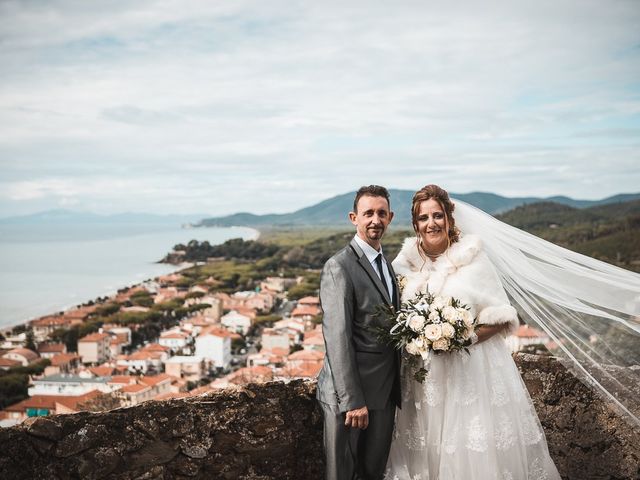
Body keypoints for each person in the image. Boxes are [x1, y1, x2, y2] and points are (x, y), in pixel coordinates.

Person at [385, 184, 561, 480]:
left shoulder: (474, 258)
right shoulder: (402, 267)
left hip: (469, 377)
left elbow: (502, 318)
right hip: (421, 383)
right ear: (415, 224)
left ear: (449, 219)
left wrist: (459, 337)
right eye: (424, 218)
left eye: (438, 215)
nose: (432, 224)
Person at [317, 185, 402, 480]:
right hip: (351, 401)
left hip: (383, 396)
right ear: (354, 217)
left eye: (381, 213)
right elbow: (337, 338)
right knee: (343, 475)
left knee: (371, 474)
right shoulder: (338, 267)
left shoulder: (386, 266)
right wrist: (352, 400)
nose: (375, 219)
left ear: (390, 217)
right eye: (368, 213)